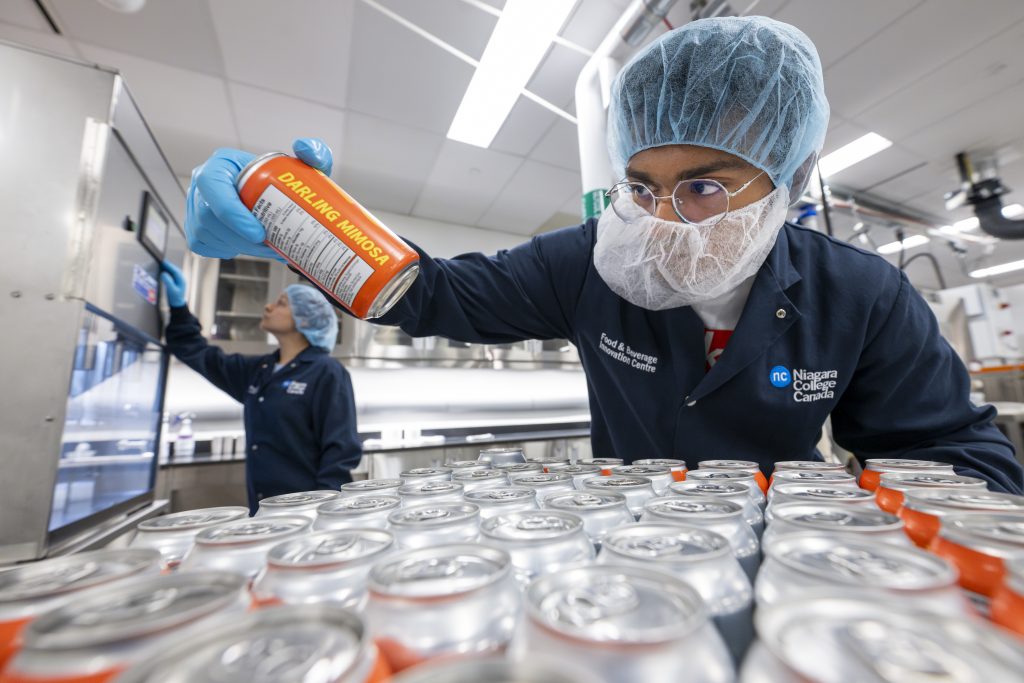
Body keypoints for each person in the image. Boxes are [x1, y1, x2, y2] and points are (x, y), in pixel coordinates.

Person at [181, 16, 1023, 493]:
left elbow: (952, 449)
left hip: (790, 552)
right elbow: (432, 294)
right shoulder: (592, 260)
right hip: (628, 547)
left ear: (788, 180)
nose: (664, 218)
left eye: (704, 186)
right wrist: (293, 222)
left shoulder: (861, 293)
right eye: (642, 185)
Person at [160, 261, 362, 512]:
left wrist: (322, 512)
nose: (268, 307)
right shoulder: (259, 370)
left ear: (305, 320)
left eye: (281, 303)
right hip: (265, 513)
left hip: (307, 513)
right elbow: (200, 355)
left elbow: (340, 452)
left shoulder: (326, 372)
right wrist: (179, 307)